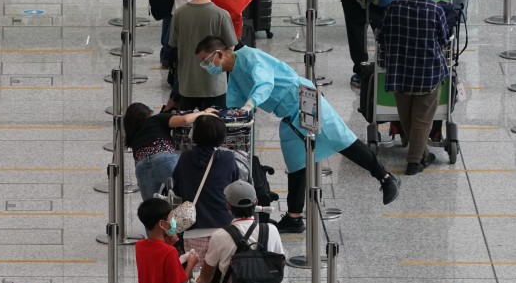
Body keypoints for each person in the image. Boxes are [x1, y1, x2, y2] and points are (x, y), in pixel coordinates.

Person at [195, 36, 401, 234]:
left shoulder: (250, 57)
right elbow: (235, 102)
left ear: (219, 53)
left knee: (341, 139)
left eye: (206, 60)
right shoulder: (234, 72)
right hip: (287, 114)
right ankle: (294, 218)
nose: (205, 66)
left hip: (303, 98)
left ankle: (385, 177)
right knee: (296, 161)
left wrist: (251, 103)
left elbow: (263, 84)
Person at [377, 0, 450, 175]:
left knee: (407, 118)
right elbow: (444, 39)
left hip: (399, 74)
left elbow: (382, 36)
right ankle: (414, 161)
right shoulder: (435, 10)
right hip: (428, 75)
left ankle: (422, 154)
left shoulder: (393, 6)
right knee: (422, 119)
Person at [195, 180, 285, 283]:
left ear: (228, 206)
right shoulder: (271, 230)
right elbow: (279, 265)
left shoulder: (220, 236)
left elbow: (205, 278)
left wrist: (197, 279)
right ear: (256, 202)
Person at [170, 0, 237, 111]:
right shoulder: (221, 15)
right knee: (213, 130)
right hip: (215, 87)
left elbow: (173, 44)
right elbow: (231, 48)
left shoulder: (179, 14)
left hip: (187, 86)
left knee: (187, 129)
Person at [124, 103, 217, 201]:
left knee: (151, 210)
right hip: (164, 158)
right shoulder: (156, 119)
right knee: (184, 199)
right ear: (149, 114)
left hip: (141, 167)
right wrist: (205, 112)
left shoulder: (133, 137)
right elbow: (185, 120)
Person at [172, 114, 239, 229]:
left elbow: (177, 190)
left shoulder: (185, 157)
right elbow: (235, 187)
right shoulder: (227, 158)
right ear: (221, 135)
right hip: (224, 225)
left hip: (192, 226)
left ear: (195, 134)